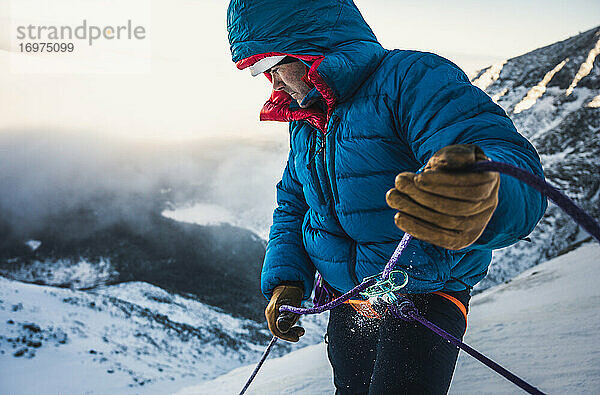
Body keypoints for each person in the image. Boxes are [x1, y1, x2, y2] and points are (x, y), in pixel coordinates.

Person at [227, 1, 547, 393]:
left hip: (425, 290)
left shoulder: (411, 79)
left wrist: (483, 192)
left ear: (307, 47)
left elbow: (497, 149)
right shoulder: (309, 117)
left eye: (268, 65)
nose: (272, 83)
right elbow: (294, 201)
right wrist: (286, 278)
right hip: (348, 296)